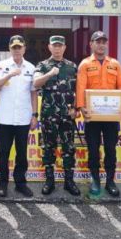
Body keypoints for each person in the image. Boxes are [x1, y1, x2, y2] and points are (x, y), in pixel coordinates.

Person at [75, 31, 121, 197]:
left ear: (107, 44)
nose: (101, 45)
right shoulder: (85, 64)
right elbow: (80, 88)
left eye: (104, 42)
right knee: (93, 149)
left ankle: (110, 181)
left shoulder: (115, 64)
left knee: (111, 149)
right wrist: (81, 107)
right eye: (97, 42)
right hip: (92, 116)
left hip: (111, 116)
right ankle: (95, 180)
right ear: (91, 44)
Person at [32, 35, 81, 196]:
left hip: (67, 115)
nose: (58, 48)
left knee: (69, 148)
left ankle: (69, 181)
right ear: (49, 47)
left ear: (64, 48)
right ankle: (49, 181)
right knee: (48, 148)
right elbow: (36, 83)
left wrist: (77, 108)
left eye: (60, 46)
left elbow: (78, 90)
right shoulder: (43, 65)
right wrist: (50, 74)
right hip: (49, 114)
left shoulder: (72, 67)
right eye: (55, 46)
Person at [0, 35, 37, 198]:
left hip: (23, 117)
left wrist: (34, 115)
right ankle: (2, 184)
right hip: (5, 117)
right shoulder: (2, 65)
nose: (17, 50)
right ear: (10, 49)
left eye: (19, 47)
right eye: (14, 47)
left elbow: (33, 93)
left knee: (22, 153)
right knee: (3, 152)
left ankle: (20, 183)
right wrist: (9, 74)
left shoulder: (31, 68)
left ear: (24, 49)